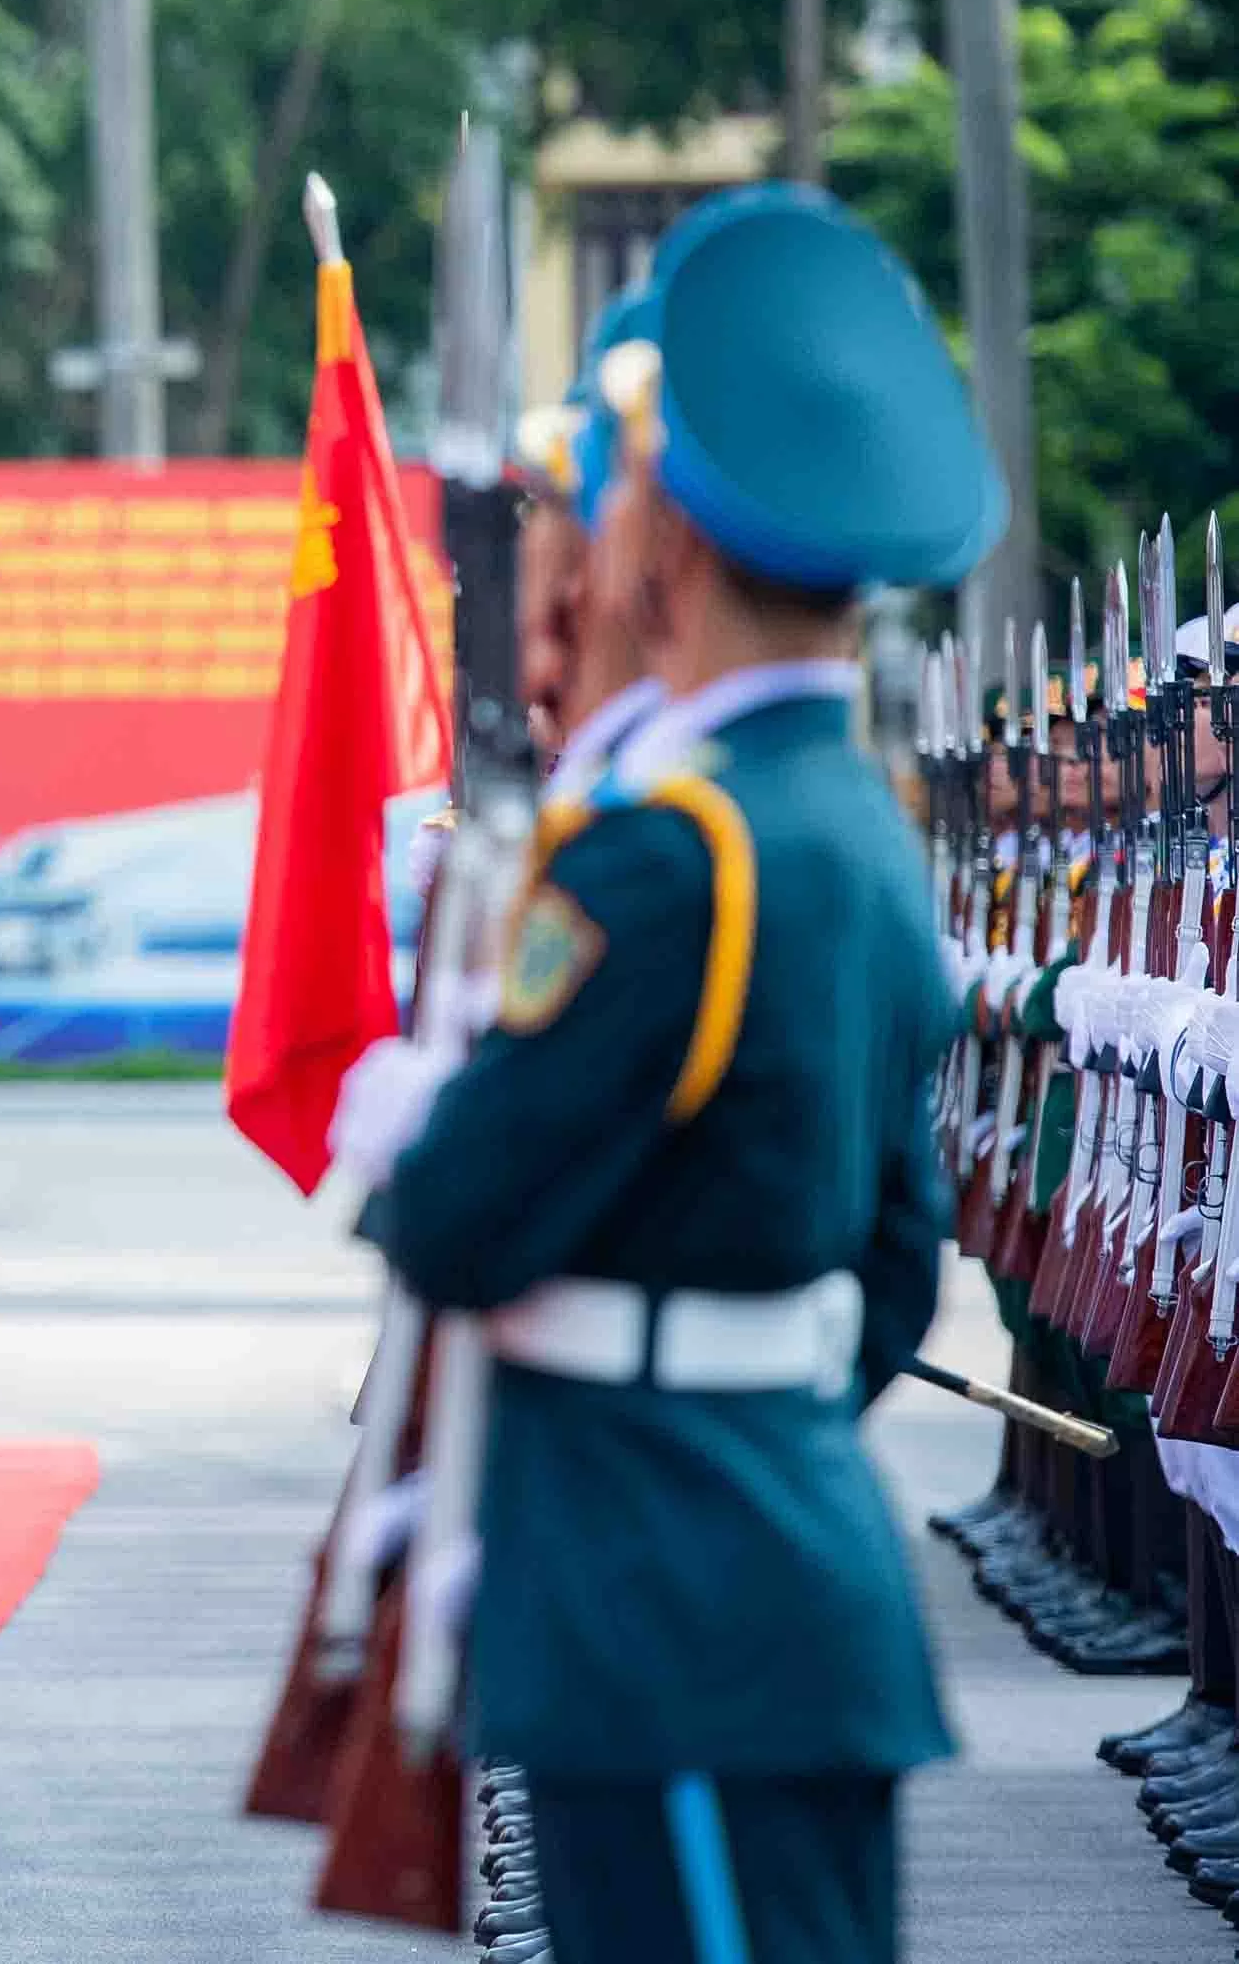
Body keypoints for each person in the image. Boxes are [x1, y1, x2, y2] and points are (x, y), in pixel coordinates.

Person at [337, 184, 998, 1962]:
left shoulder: (676, 854)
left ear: (667, 548)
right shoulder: (842, 819)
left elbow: (456, 1218)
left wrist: (415, 1124)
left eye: (606, 490)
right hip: (754, 1558)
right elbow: (891, 1265)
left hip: (669, 1605)